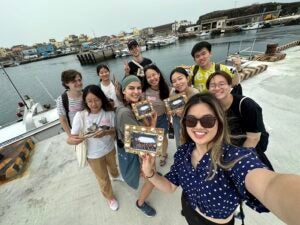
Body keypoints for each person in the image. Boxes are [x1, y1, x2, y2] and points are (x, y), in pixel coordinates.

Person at [141, 92, 300, 225]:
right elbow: (169, 187)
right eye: (191, 120)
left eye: (207, 120)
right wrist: (150, 173)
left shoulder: (233, 158)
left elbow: (269, 185)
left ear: (220, 122)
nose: (198, 126)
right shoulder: (183, 152)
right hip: (189, 209)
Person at [206, 70, 274, 170]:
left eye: (221, 84)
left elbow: (253, 138)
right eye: (212, 85)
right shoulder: (213, 107)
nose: (217, 88)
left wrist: (238, 162)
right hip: (227, 151)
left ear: (230, 86)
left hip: (249, 151)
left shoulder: (247, 106)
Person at [67, 85, 120, 211]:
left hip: (110, 149)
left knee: (113, 167)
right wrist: (72, 140)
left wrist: (106, 132)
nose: (93, 104)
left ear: (102, 99)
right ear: (85, 101)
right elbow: (71, 139)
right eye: (89, 101)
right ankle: (110, 197)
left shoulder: (109, 113)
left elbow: (115, 132)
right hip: (93, 155)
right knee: (102, 178)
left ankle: (116, 175)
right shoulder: (80, 116)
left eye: (96, 100)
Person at [115, 75, 157, 217]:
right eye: (131, 88)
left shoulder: (130, 106)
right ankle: (140, 203)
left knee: (150, 176)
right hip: (141, 155)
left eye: (139, 88)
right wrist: (153, 124)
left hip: (136, 150)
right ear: (124, 91)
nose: (136, 91)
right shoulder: (125, 112)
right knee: (152, 178)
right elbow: (145, 144)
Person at [143, 64, 170, 166]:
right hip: (148, 119)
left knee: (163, 138)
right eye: (148, 77)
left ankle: (163, 154)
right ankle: (152, 155)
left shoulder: (166, 88)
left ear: (158, 74)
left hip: (162, 117)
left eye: (154, 75)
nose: (152, 78)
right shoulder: (145, 90)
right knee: (151, 139)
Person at [169, 67, 199, 148]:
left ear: (187, 78)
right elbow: (171, 109)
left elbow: (200, 113)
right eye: (174, 81)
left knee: (193, 143)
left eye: (180, 78)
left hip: (192, 123)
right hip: (177, 122)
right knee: (180, 143)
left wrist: (186, 113)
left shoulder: (195, 93)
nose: (178, 83)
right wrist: (174, 112)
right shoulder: (173, 93)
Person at [56, 69, 84, 136]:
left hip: (90, 129)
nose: (79, 83)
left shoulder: (87, 94)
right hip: (77, 133)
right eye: (74, 81)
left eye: (79, 80)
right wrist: (70, 135)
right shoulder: (62, 99)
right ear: (66, 83)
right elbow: (63, 119)